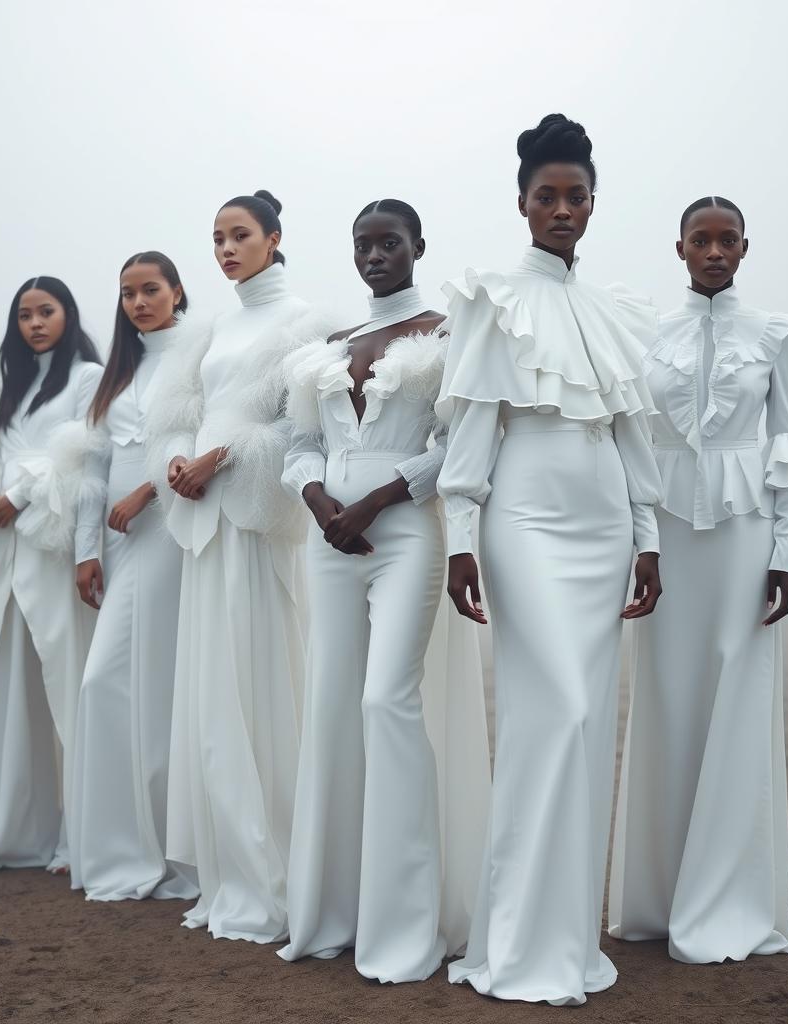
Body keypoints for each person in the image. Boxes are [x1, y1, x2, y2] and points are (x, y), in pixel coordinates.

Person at [437, 114, 663, 1004]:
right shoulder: (493, 299)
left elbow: (632, 439)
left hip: (605, 518)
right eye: (546, 196)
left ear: (592, 205)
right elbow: (472, 430)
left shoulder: (612, 311)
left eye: (575, 196)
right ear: (522, 204)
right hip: (523, 521)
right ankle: (518, 943)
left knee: (584, 721)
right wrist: (462, 539)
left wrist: (647, 538)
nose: (561, 209)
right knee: (552, 713)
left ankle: (565, 938)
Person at [608, 197, 788, 963]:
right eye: (699, 241)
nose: (713, 252)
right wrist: (641, 543)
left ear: (743, 248)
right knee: (668, 699)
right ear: (679, 248)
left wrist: (787, 553)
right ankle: (659, 898)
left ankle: (730, 901)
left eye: (725, 241)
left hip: (745, 534)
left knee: (737, 700)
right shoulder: (649, 334)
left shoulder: (774, 332)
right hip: (667, 533)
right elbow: (636, 445)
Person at [277, 200, 491, 982]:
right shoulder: (328, 349)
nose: (375, 256)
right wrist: (321, 504)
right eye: (364, 245)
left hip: (403, 537)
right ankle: (334, 913)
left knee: (384, 704)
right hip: (328, 542)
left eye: (389, 243)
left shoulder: (444, 334)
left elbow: (455, 445)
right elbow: (300, 445)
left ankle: (406, 928)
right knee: (333, 710)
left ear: (416, 247)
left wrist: (371, 502)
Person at [145, 191, 336, 941]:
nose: (225, 249)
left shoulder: (308, 323)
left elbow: (300, 423)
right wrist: (178, 463)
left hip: (257, 521)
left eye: (239, 236)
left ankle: (283, 867)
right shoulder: (212, 326)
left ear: (274, 238)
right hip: (203, 524)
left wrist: (224, 458)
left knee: (263, 681)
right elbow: (173, 415)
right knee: (212, 693)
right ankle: (229, 873)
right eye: (217, 238)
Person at [0, 276, 103, 873]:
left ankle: (85, 835)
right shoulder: (7, 388)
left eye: (46, 311)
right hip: (7, 550)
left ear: (67, 314)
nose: (35, 323)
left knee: (68, 675)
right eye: (25, 314)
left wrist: (23, 494)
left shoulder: (87, 379)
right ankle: (12, 831)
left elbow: (83, 452)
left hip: (52, 545)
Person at [68, 252, 199, 901]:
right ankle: (120, 845)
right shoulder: (114, 373)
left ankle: (165, 853)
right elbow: (91, 467)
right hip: (116, 545)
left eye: (151, 289)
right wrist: (83, 549)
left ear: (177, 291)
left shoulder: (197, 354)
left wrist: (147, 493)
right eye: (127, 293)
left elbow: (205, 439)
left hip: (168, 533)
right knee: (121, 686)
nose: (139, 302)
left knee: (124, 682)